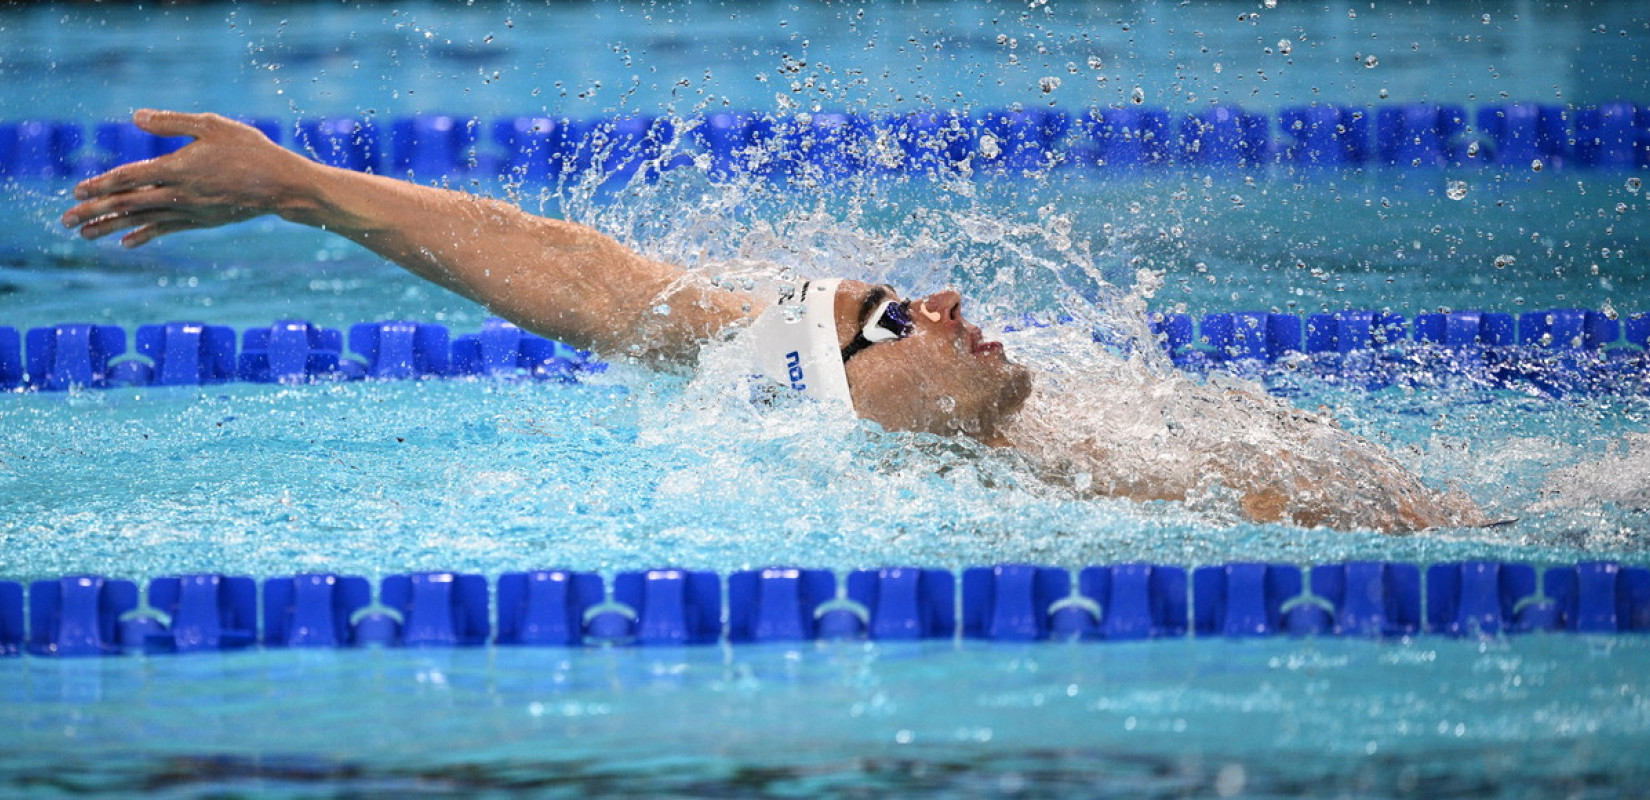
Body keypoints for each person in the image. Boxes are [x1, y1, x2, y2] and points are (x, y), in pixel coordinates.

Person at [62, 109, 1489, 532]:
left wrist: (308, 190)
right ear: (841, 410)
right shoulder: (1031, 509)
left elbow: (605, 287)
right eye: (888, 324)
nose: (940, 304)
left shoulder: (1055, 452)